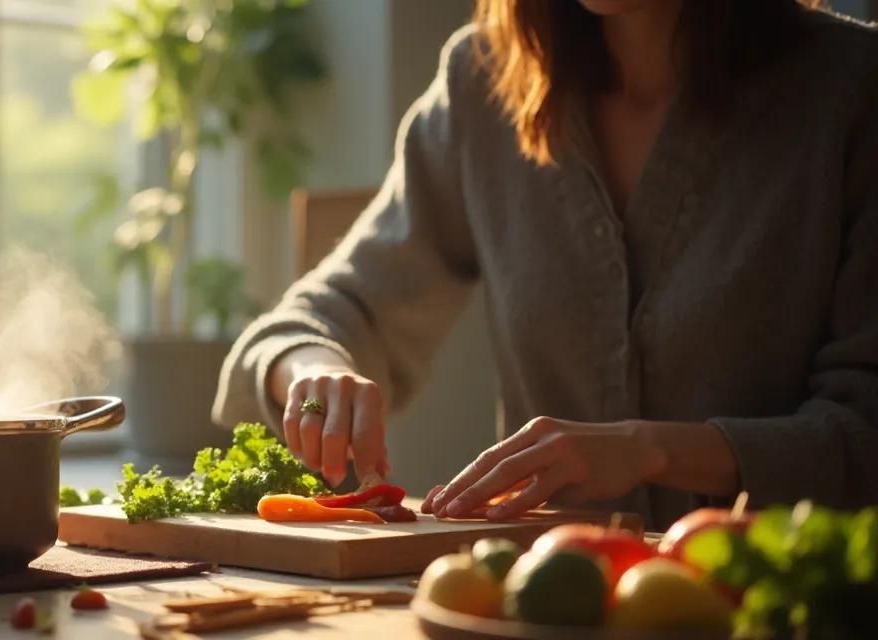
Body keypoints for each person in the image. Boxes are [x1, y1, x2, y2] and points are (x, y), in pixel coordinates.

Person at [213, 0, 878, 530]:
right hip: (545, 609)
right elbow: (324, 315)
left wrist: (651, 449)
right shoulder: (483, 82)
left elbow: (864, 431)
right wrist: (313, 367)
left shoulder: (852, 89)